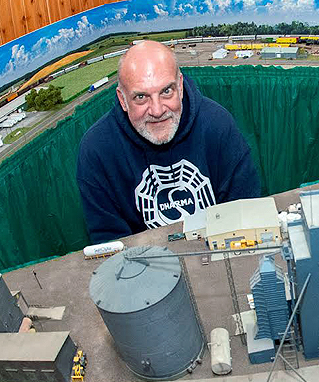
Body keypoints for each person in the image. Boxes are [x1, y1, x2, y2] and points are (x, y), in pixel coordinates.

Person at [77, 41, 260, 242]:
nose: (157, 110)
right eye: (141, 97)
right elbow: (109, 243)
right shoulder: (96, 151)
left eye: (166, 91)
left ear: (180, 86)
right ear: (122, 100)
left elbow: (245, 211)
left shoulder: (218, 125)